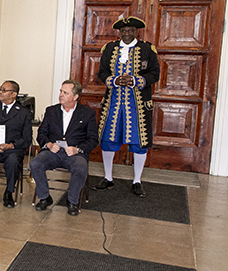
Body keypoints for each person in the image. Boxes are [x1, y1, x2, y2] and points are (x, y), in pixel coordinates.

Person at [92, 17, 160, 197]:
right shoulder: (110, 49)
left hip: (137, 103)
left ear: (136, 31)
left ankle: (137, 181)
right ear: (119, 32)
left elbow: (155, 73)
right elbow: (102, 72)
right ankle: (108, 178)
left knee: (139, 142)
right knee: (108, 140)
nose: (127, 33)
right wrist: (113, 80)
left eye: (130, 30)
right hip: (113, 102)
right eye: (123, 31)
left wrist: (137, 80)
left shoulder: (147, 49)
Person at [30, 80, 99, 216]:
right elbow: (42, 133)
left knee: (80, 167)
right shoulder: (51, 111)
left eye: (65, 93)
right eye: (61, 91)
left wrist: (77, 149)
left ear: (75, 97)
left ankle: (72, 202)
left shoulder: (87, 114)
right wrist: (49, 144)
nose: (61, 95)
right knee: (35, 163)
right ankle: (45, 198)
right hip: (53, 152)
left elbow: (93, 140)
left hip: (75, 154)